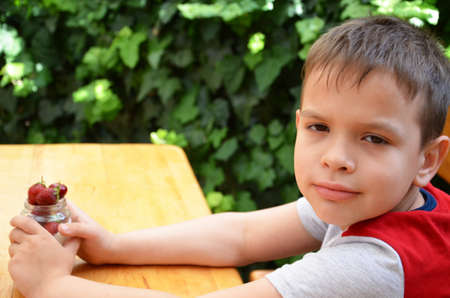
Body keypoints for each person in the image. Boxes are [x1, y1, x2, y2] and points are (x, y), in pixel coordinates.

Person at [8, 15, 450, 298]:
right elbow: (240, 236)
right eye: (319, 127)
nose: (336, 158)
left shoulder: (375, 265)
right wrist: (114, 246)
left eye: (374, 139)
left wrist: (53, 286)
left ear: (426, 160)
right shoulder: (371, 198)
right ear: (299, 124)